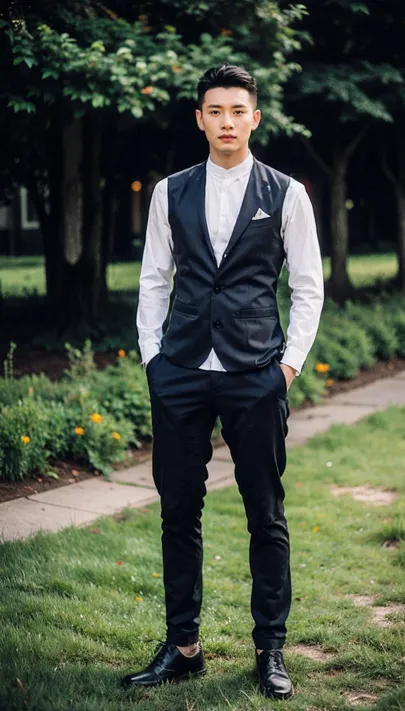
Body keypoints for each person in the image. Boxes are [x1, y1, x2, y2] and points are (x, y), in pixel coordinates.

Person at [122, 64, 324, 700]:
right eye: (216, 110)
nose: (227, 121)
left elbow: (307, 287)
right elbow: (155, 278)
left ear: (255, 118)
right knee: (178, 512)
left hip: (255, 375)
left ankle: (270, 650)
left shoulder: (287, 193)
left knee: (265, 515)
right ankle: (183, 645)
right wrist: (154, 359)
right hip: (180, 372)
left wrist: (287, 366)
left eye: (238, 110)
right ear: (200, 118)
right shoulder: (169, 191)